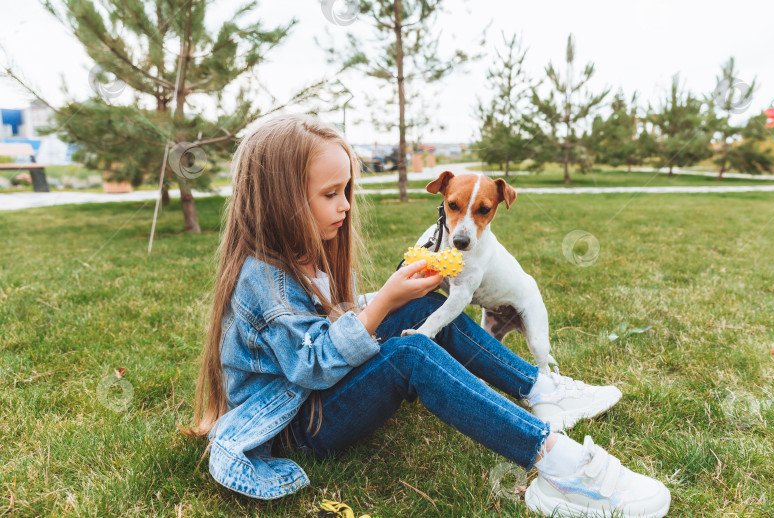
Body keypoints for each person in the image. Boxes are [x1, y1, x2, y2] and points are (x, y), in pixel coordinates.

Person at [181, 113, 671, 517]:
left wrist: (396, 295)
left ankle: (541, 389)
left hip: (314, 395)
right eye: (330, 195)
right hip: (296, 423)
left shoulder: (314, 251)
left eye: (347, 190)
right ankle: (562, 468)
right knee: (412, 351)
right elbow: (309, 366)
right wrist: (382, 303)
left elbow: (339, 321)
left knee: (424, 301)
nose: (346, 206)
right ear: (279, 200)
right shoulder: (264, 280)